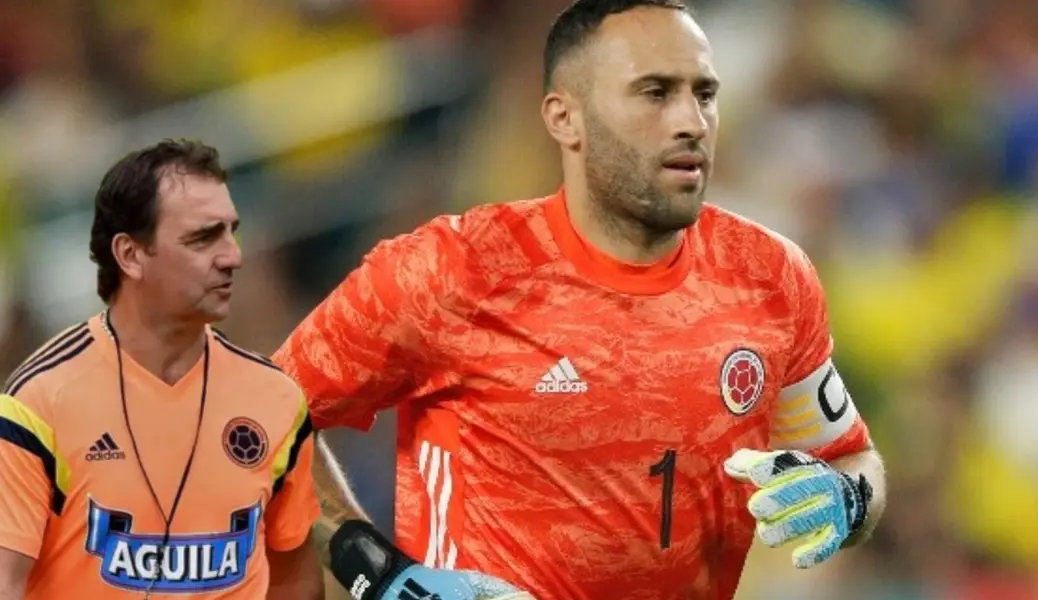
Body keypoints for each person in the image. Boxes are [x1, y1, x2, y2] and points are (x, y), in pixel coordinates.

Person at [275, 1, 888, 599]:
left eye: (704, 94)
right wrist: (377, 572)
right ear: (566, 118)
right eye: (654, 93)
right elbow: (255, 418)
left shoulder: (768, 275)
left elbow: (853, 457)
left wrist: (849, 497)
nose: (691, 122)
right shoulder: (453, 270)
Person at [0, 140, 324, 599]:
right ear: (131, 255)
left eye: (231, 232)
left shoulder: (277, 399)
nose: (232, 256)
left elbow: (294, 577)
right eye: (203, 238)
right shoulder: (39, 402)